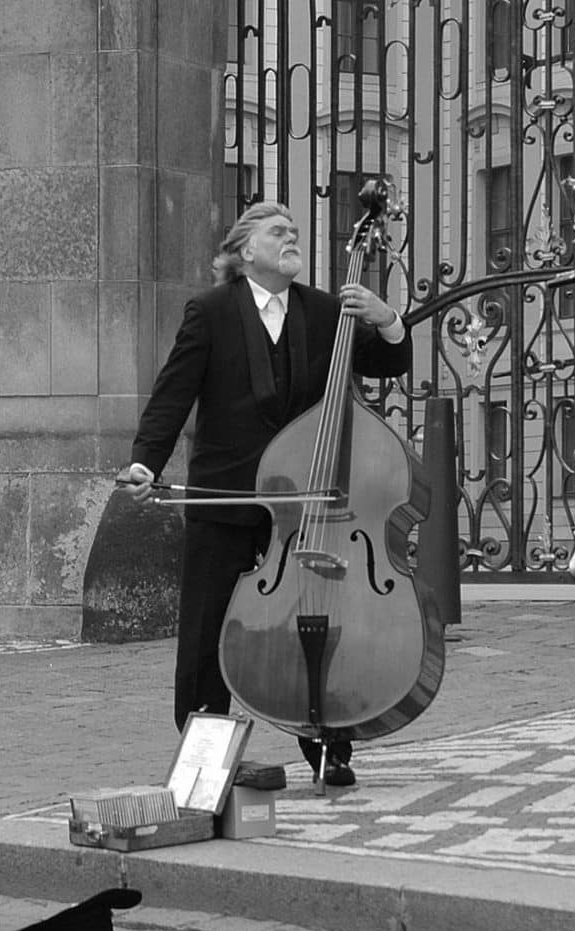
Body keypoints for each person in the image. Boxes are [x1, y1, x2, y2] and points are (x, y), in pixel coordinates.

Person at [121, 201, 411, 788]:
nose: (291, 237)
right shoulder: (210, 312)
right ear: (244, 251)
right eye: (278, 231)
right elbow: (173, 393)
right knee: (207, 632)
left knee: (319, 619)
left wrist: (386, 318)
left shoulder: (326, 311)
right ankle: (204, 758)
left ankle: (329, 746)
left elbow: (388, 363)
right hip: (226, 497)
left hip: (306, 504)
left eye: (296, 232)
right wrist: (144, 462)